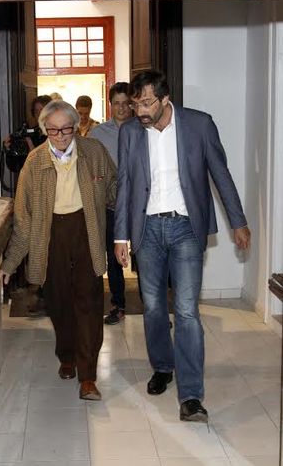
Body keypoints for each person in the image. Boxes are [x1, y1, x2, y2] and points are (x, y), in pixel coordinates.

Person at [114, 70, 251, 422]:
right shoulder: (130, 132)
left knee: (187, 311)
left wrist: (238, 221)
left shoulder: (199, 125)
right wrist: (120, 236)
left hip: (186, 228)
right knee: (153, 307)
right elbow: (125, 184)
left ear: (165, 98)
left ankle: (191, 395)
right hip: (147, 230)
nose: (140, 111)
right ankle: (163, 366)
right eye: (135, 104)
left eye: (147, 103)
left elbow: (221, 174)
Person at [0, 100, 116, 401]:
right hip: (49, 237)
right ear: (44, 130)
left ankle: (88, 376)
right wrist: (10, 262)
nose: (61, 137)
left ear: (76, 127)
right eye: (53, 131)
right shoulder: (34, 162)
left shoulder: (94, 152)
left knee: (89, 303)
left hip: (87, 232)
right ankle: (67, 355)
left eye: (66, 129)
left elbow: (115, 191)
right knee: (59, 303)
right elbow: (23, 219)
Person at [89, 82, 132, 325]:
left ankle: (153, 309)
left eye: (126, 103)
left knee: (147, 258)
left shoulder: (144, 129)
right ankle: (118, 305)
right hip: (110, 205)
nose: (122, 108)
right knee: (113, 257)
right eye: (117, 103)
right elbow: (86, 164)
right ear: (110, 105)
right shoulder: (97, 134)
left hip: (140, 205)